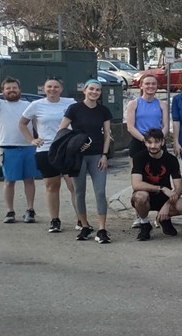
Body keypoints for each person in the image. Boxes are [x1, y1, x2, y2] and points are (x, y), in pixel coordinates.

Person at [0, 59, 38, 224]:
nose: (11, 90)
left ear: (19, 90)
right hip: (8, 147)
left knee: (29, 179)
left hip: (29, 147)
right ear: (3, 91)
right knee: (9, 180)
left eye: (14, 88)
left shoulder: (29, 105)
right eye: (8, 88)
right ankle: (10, 212)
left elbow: (38, 125)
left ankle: (30, 210)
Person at [58, 79, 114, 244]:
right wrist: (74, 143)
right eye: (91, 89)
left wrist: (105, 155)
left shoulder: (103, 110)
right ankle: (84, 225)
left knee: (100, 192)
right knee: (79, 191)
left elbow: (107, 134)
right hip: (79, 156)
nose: (94, 92)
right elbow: (62, 130)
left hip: (97, 155)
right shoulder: (74, 109)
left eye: (97, 90)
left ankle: (102, 229)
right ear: (85, 90)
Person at [20, 76, 76, 233]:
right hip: (46, 150)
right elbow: (22, 123)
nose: (53, 89)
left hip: (67, 149)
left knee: (74, 186)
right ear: (44, 89)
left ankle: (81, 220)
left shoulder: (70, 103)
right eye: (49, 87)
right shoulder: (36, 105)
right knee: (52, 186)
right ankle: (55, 220)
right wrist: (32, 140)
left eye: (56, 87)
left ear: (61, 89)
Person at [129, 128, 182, 241]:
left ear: (162, 142)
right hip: (146, 196)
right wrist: (161, 188)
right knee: (140, 197)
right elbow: (136, 184)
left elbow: (179, 188)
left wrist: (167, 205)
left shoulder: (171, 159)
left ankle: (164, 219)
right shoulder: (139, 157)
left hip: (164, 198)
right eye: (149, 142)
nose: (153, 146)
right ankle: (144, 224)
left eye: (156, 142)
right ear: (145, 143)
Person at [124, 74, 168, 166]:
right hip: (139, 141)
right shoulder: (133, 104)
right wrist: (145, 140)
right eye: (147, 84)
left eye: (153, 84)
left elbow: (166, 126)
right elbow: (130, 127)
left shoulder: (162, 104)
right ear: (141, 86)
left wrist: (158, 140)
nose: (150, 86)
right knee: (138, 172)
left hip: (158, 142)